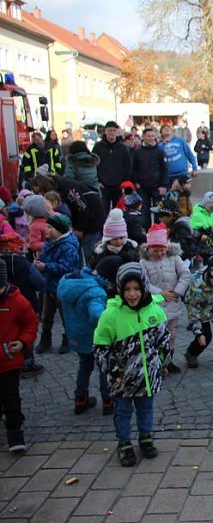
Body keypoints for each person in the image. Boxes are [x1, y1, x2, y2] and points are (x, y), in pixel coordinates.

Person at [94, 262, 170, 467]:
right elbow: (101, 346)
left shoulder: (155, 311)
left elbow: (163, 341)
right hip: (122, 377)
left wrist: (163, 362)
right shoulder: (111, 315)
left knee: (146, 409)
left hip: (148, 376)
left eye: (136, 288)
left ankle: (146, 437)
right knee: (123, 411)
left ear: (144, 287)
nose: (132, 294)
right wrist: (113, 370)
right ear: (120, 289)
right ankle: (124, 442)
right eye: (127, 289)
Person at [57, 264, 113, 415]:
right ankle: (108, 400)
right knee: (103, 368)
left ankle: (80, 398)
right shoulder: (94, 292)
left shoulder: (67, 282)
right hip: (94, 337)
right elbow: (96, 315)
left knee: (84, 366)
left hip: (76, 336)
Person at [139, 224, 191, 374]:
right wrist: (160, 293)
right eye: (156, 251)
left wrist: (177, 292)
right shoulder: (144, 263)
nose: (160, 254)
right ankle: (157, 362)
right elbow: (144, 283)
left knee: (172, 334)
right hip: (156, 306)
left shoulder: (174, 257)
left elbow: (185, 274)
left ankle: (168, 361)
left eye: (162, 250)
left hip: (173, 303)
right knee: (156, 336)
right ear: (149, 249)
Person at [0, 258, 39, 452]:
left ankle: (15, 432)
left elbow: (31, 323)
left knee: (11, 398)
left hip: (9, 360)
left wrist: (23, 342)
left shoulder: (16, 300)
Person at [28, 174, 106, 263]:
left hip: (93, 217)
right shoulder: (58, 187)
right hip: (82, 219)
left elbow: (82, 207)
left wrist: (80, 229)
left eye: (41, 191)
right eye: (37, 193)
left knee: (90, 249)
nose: (41, 194)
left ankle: (93, 272)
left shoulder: (67, 187)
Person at [33, 214, 82, 354]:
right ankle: (45, 339)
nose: (46, 230)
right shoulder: (49, 242)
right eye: (46, 226)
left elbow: (67, 268)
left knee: (66, 315)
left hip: (63, 287)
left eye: (50, 227)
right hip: (48, 286)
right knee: (46, 315)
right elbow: (43, 257)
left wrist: (46, 266)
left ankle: (68, 339)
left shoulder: (68, 246)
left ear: (59, 230)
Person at [184, 255, 213, 368]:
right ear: (210, 276)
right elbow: (192, 309)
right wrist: (198, 332)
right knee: (206, 336)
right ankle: (191, 353)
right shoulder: (197, 286)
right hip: (200, 312)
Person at [132, 128, 169, 230]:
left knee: (158, 211)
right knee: (144, 211)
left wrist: (164, 185)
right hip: (142, 187)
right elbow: (134, 168)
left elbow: (165, 169)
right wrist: (136, 182)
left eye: (153, 136)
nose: (151, 138)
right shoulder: (138, 152)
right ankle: (146, 233)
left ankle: (158, 231)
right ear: (143, 137)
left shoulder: (160, 152)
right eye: (149, 136)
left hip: (157, 187)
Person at [190, 192, 213, 265]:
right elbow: (193, 232)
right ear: (205, 205)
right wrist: (200, 236)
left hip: (212, 246)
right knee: (202, 267)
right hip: (202, 248)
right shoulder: (198, 215)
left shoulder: (212, 214)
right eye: (211, 207)